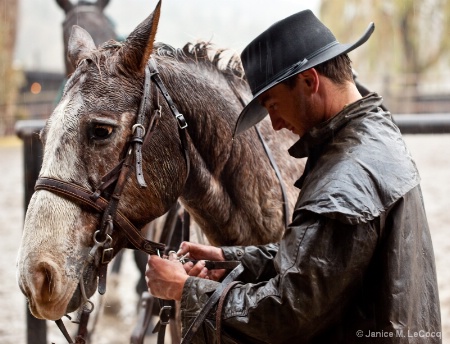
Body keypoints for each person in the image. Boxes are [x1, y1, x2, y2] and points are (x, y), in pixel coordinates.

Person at [146, 9, 442, 343]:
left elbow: (288, 312)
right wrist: (230, 258)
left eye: (273, 105)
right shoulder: (374, 133)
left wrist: (185, 290)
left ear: (309, 81)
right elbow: (322, 260)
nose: (275, 125)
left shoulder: (346, 180)